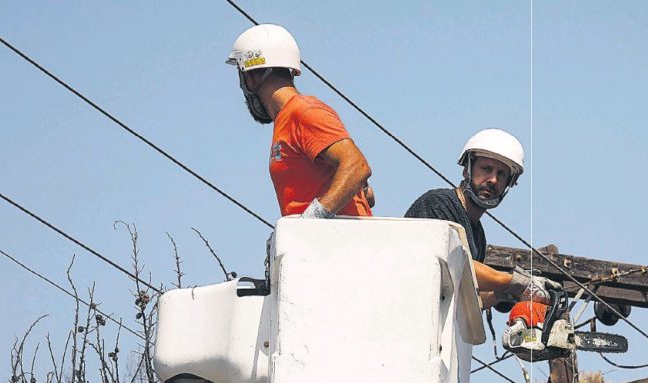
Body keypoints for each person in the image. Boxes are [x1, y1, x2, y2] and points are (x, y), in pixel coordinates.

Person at [227, 24, 374, 219]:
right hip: (324, 241)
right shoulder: (287, 120)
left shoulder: (303, 111)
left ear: (250, 76)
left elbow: (357, 167)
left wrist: (309, 222)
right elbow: (366, 194)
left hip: (341, 243)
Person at [405, 128, 558, 306]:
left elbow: (471, 298)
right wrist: (515, 282)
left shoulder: (478, 235)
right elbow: (454, 264)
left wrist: (504, 294)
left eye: (501, 174)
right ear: (467, 170)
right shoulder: (439, 203)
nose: (493, 180)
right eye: (486, 169)